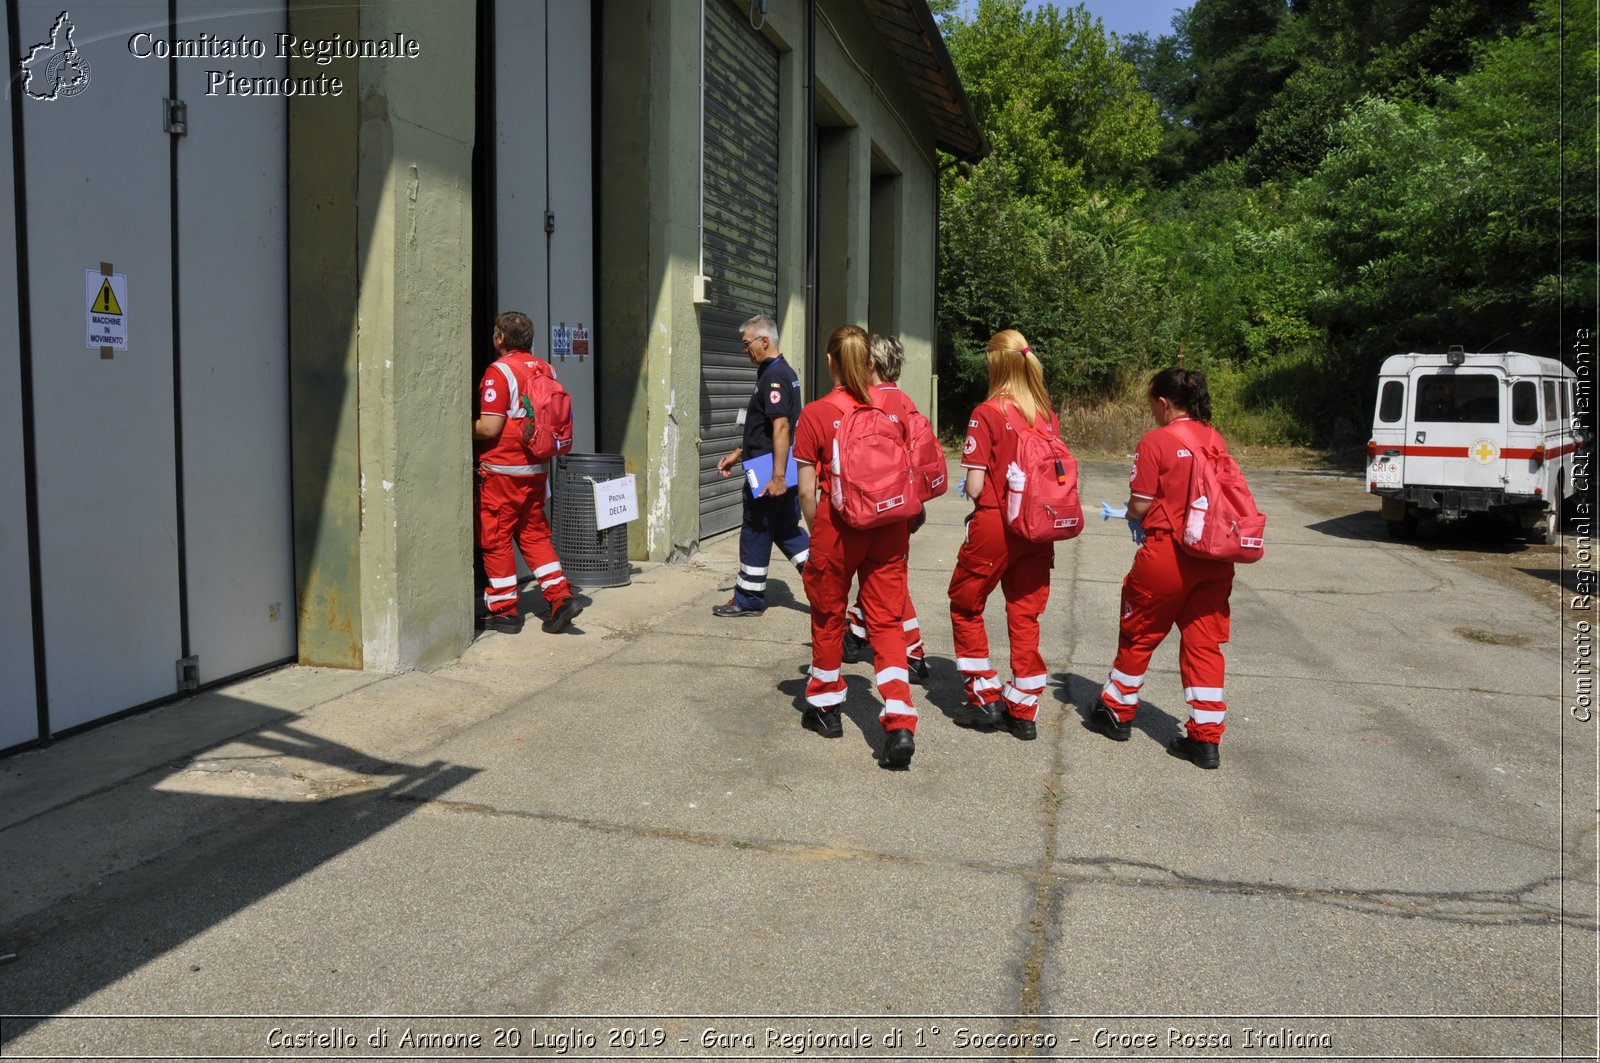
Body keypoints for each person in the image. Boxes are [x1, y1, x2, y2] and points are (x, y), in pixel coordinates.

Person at [1094, 367, 1235, 770]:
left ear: (1163, 402)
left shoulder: (1156, 441)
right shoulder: (1215, 438)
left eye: (1151, 403)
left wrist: (1131, 514)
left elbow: (1140, 505)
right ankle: (1205, 739)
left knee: (1138, 633)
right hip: (1214, 558)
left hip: (1169, 556)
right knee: (1204, 646)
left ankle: (1117, 713)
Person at [792, 324, 918, 768]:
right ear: (871, 362)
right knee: (886, 622)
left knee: (828, 615)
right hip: (889, 525)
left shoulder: (815, 414)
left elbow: (807, 491)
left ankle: (826, 707)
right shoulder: (893, 407)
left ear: (830, 362)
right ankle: (900, 719)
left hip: (838, 525)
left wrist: (819, 529)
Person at [947, 329, 1062, 741]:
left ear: (997, 364)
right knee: (1025, 610)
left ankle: (984, 697)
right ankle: (1023, 707)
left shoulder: (987, 412)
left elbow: (976, 487)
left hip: (996, 523)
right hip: (1037, 526)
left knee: (965, 602)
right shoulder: (1046, 414)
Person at [473, 311, 583, 635]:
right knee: (534, 535)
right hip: (536, 470)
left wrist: (461, 428)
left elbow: (491, 426)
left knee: (496, 537)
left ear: (499, 339)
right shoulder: (545, 369)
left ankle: (504, 610)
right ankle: (561, 597)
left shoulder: (499, 371)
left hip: (502, 472)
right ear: (530, 340)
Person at [843, 334, 929, 680]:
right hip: (904, 506)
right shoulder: (907, 403)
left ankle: (909, 650)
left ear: (871, 364)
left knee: (885, 580)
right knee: (890, 577)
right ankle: (869, 633)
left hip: (870, 505)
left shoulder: (867, 402)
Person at [713, 314, 809, 617]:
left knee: (756, 530)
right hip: (775, 467)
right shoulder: (781, 372)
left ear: (764, 341)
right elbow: (765, 430)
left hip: (770, 473)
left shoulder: (774, 376)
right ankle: (824, 581)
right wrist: (739, 453)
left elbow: (781, 427)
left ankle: (748, 600)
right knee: (786, 530)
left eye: (746, 343)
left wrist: (778, 476)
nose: (745, 350)